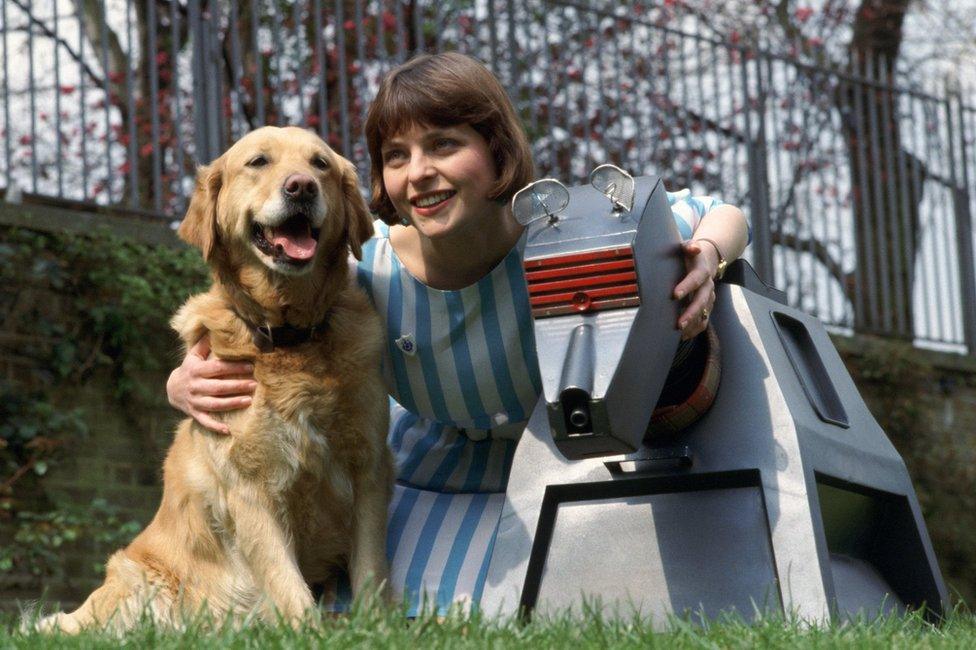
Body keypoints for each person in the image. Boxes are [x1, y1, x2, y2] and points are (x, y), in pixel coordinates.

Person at [166, 52, 750, 615]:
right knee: (385, 618)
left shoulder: (569, 239)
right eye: (397, 156)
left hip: (564, 473)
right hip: (427, 485)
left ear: (497, 150)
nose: (419, 173)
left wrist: (706, 254)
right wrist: (180, 381)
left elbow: (717, 209)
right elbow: (260, 321)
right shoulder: (364, 274)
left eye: (444, 144)